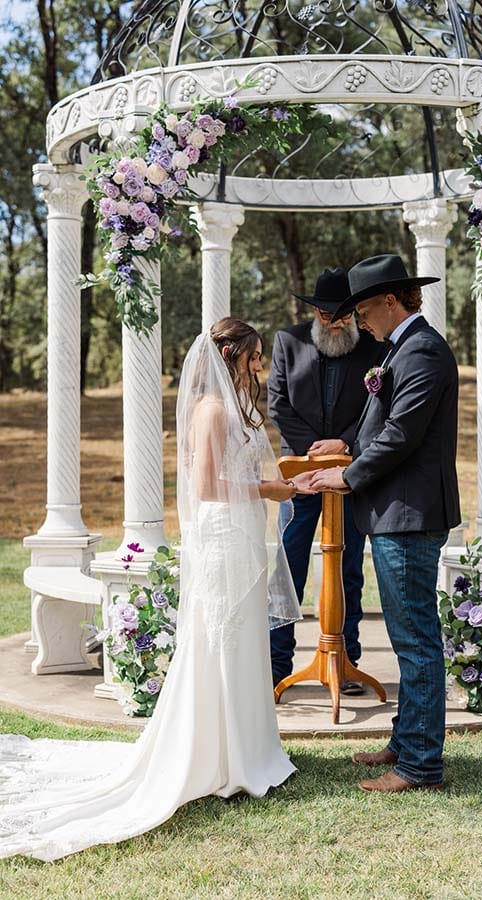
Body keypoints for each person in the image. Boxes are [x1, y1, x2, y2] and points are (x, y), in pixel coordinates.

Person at [0, 318, 305, 861]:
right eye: (254, 356)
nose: (259, 366)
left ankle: (248, 749)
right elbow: (208, 486)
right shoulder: (211, 409)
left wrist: (280, 483)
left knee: (241, 637)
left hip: (239, 530)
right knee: (221, 636)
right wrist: (270, 489)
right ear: (232, 355)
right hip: (220, 532)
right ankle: (218, 756)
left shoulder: (236, 406)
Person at [311, 254, 461, 793]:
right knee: (406, 636)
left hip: (410, 514)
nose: (358, 321)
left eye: (364, 309)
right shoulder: (403, 348)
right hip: (397, 512)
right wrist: (348, 442)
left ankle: (420, 765)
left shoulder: (423, 351)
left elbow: (402, 435)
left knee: (416, 640)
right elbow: (385, 422)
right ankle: (405, 741)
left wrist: (346, 476)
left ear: (392, 301)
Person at [267, 267, 385, 693]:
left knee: (349, 568)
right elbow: (278, 404)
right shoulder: (288, 340)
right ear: (313, 312)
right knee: (287, 567)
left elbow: (379, 408)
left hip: (352, 470)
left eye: (341, 316)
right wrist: (314, 450)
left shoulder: (374, 346)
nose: (333, 323)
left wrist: (344, 446)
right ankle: (277, 662)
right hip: (299, 473)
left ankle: (346, 658)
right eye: (324, 315)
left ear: (354, 314)